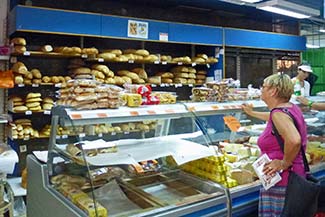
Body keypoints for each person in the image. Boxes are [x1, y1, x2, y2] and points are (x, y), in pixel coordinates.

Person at [242, 73, 307, 216]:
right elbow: (274, 117)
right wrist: (252, 113)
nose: (261, 90)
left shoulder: (279, 114)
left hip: (282, 182)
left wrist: (284, 163)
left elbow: (294, 140)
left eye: (263, 87)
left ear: (273, 91)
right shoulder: (289, 108)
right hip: (294, 178)